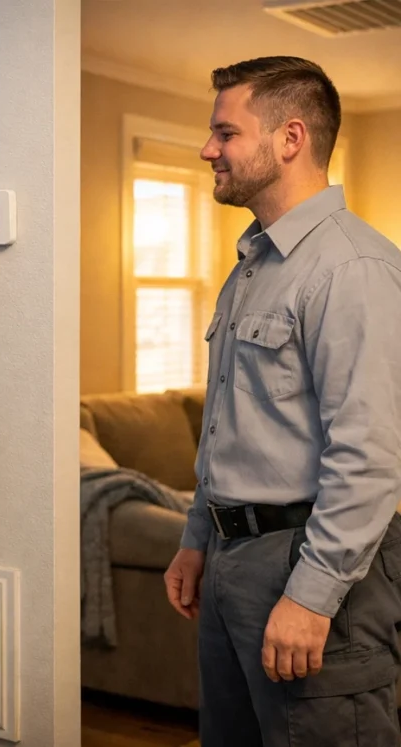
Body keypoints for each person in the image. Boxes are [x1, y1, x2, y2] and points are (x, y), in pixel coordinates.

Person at [162, 55, 401, 746]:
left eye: (225, 133)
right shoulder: (252, 267)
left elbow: (368, 456)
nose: (208, 148)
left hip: (310, 560)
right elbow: (228, 424)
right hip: (232, 563)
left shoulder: (353, 269)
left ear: (290, 138)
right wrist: (197, 538)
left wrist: (310, 594)